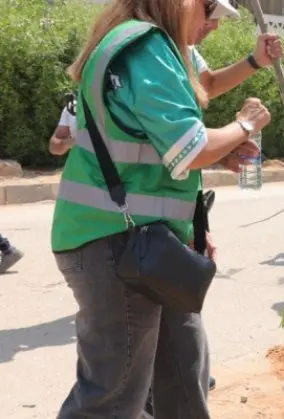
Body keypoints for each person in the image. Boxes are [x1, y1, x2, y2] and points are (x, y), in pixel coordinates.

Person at [52, 0, 272, 415]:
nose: (212, 23)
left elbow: (148, 145)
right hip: (116, 243)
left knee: (182, 366)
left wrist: (194, 215)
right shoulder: (148, 46)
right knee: (112, 399)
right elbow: (190, 148)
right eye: (208, 8)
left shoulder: (142, 42)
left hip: (140, 239)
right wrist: (244, 125)